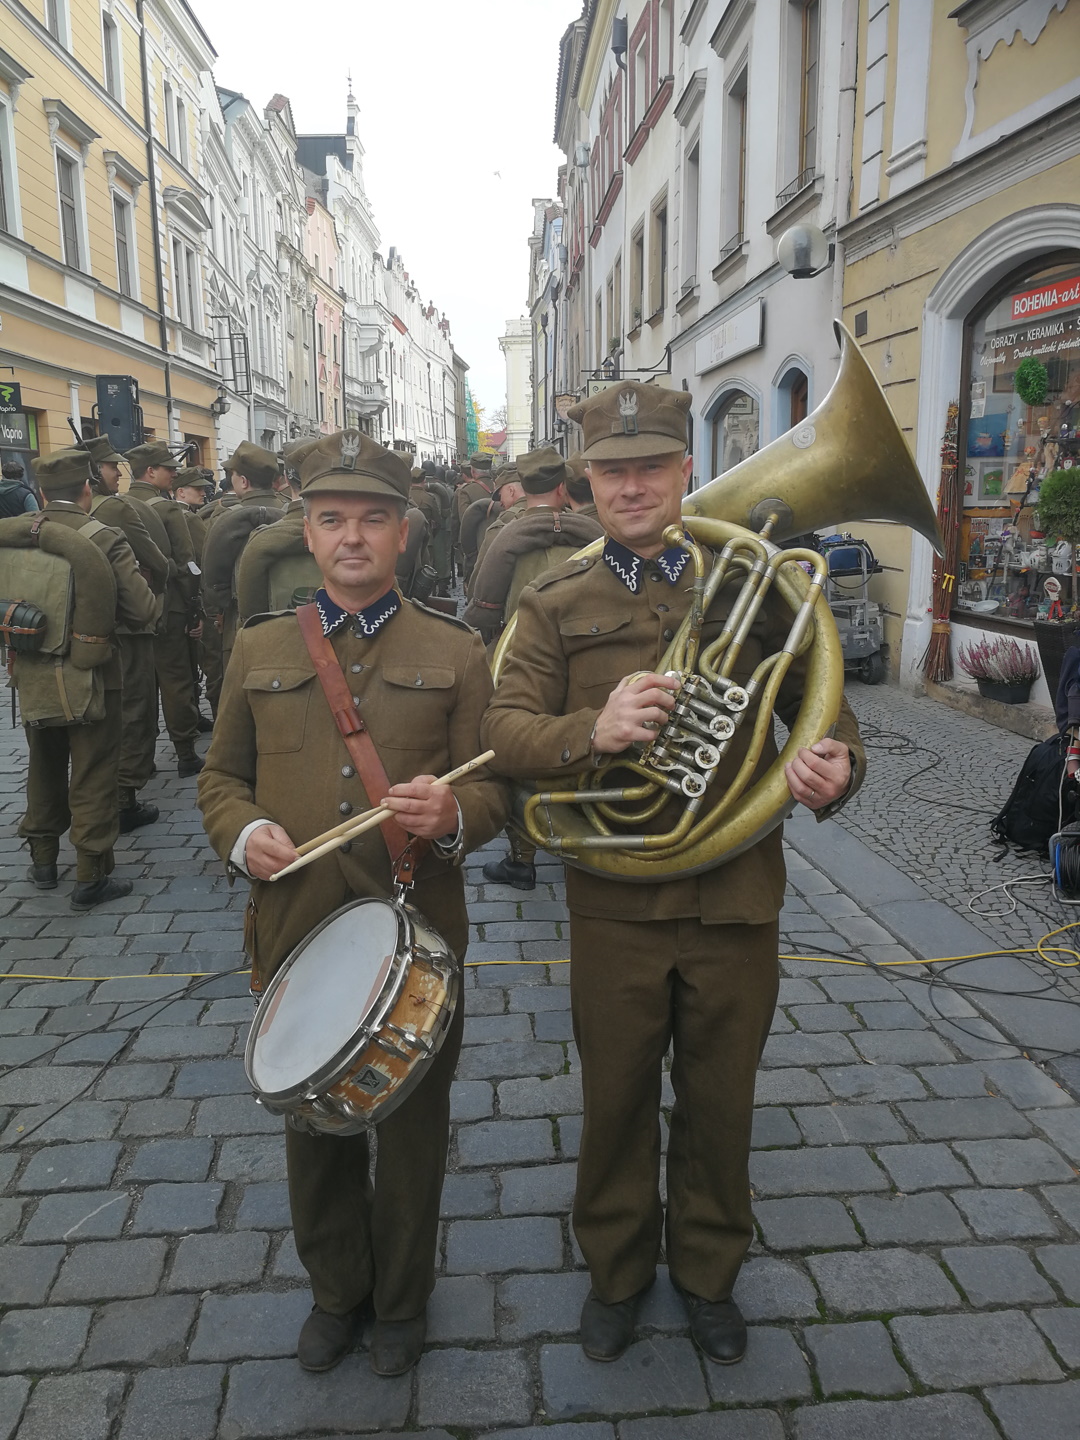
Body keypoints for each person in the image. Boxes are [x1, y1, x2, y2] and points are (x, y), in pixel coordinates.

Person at [482, 382, 865, 1365]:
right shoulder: (554, 601)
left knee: (721, 1101)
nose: (632, 486)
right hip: (616, 904)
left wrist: (835, 767)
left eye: (651, 466)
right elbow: (503, 731)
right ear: (588, 481)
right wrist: (594, 728)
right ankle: (615, 1274)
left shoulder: (755, 587)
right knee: (614, 1100)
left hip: (737, 894)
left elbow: (828, 716)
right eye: (613, 471)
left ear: (685, 468)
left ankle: (707, 1274)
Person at [197, 429, 507, 1377]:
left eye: (374, 519)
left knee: (413, 1128)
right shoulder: (259, 646)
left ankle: (403, 1301)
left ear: (404, 532)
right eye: (333, 519)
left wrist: (454, 815)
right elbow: (220, 780)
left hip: (417, 933)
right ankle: (337, 1292)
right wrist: (244, 833)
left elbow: (496, 788)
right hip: (295, 927)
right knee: (312, 1128)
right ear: (309, 531)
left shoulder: (456, 650)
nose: (353, 537)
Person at [12, 448, 157, 906]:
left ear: (41, 493)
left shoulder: (21, 536)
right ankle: (91, 875)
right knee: (94, 770)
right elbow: (142, 610)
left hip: (31, 670)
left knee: (44, 763)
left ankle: (43, 861)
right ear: (87, 489)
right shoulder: (103, 537)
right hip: (94, 675)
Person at [85, 436, 171, 831]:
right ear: (91, 471)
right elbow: (157, 561)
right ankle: (123, 798)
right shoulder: (116, 508)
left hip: (82, 629)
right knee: (134, 706)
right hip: (127, 626)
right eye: (109, 466)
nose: (117, 473)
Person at [126, 442, 205, 777]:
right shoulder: (168, 509)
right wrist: (194, 609)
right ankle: (186, 753)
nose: (174, 473)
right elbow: (188, 565)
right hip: (170, 607)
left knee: (138, 687)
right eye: (168, 468)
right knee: (176, 680)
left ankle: (139, 763)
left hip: (130, 610)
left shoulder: (115, 506)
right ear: (150, 471)